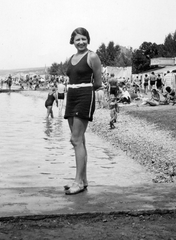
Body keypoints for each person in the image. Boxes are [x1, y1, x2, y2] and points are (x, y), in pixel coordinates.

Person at [63, 27, 102, 195]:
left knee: (75, 140)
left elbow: (98, 82)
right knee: (80, 140)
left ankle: (78, 182)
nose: (81, 42)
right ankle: (83, 179)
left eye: (83, 39)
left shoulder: (92, 56)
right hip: (71, 96)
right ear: (73, 41)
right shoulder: (71, 58)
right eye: (77, 39)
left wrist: (85, 92)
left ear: (88, 40)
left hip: (84, 95)